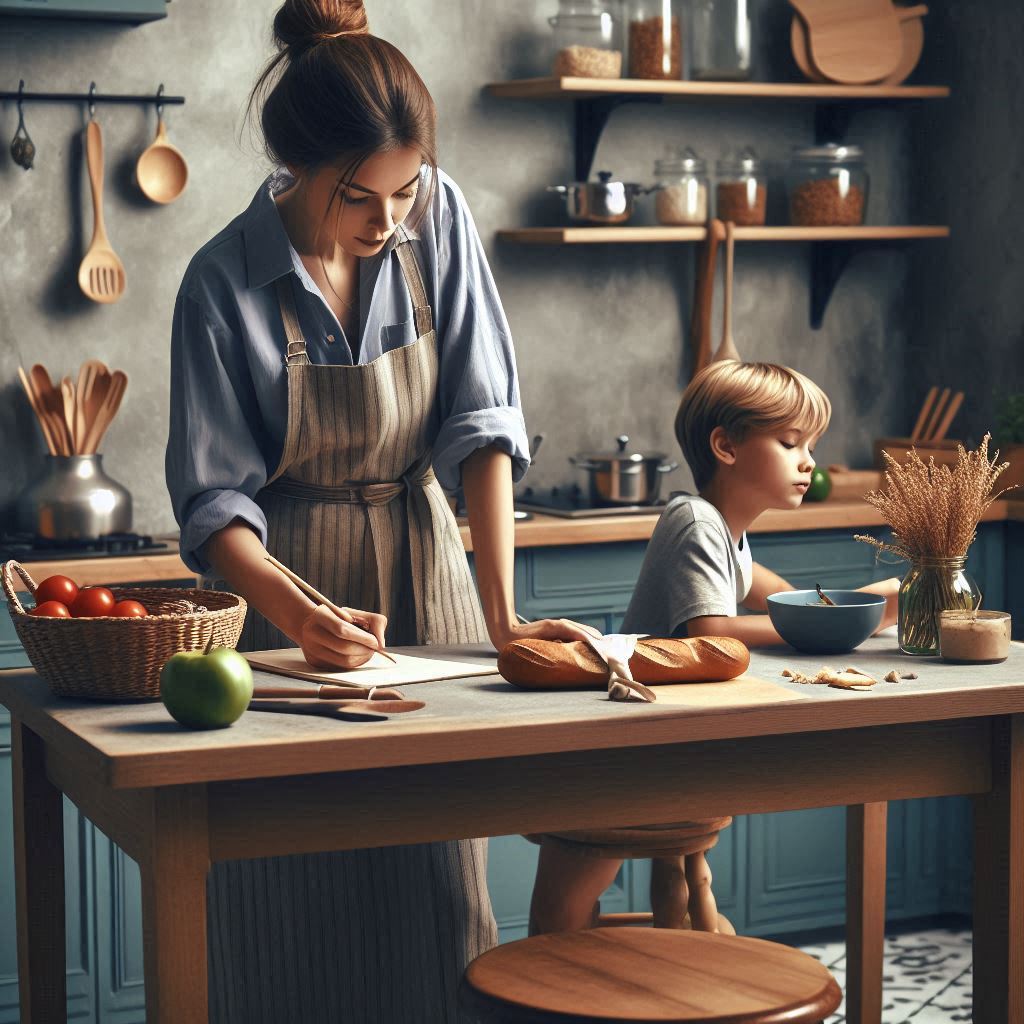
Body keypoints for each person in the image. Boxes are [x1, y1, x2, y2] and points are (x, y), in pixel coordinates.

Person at [165, 1, 595, 1019]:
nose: (389, 220)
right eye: (362, 196)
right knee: (283, 894)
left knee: (437, 893)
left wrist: (499, 613)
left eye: (405, 191)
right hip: (287, 600)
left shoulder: (433, 217)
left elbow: (484, 423)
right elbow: (216, 498)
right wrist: (295, 608)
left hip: (427, 567)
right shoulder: (219, 284)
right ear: (294, 165)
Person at [528, 360, 899, 934]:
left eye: (810, 446)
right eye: (790, 443)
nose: (808, 462)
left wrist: (860, 610)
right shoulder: (696, 521)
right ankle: (549, 989)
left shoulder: (731, 533)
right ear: (725, 446)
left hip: (663, 743)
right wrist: (845, 621)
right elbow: (712, 635)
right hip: (619, 753)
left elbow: (787, 601)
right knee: (570, 898)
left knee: (622, 885)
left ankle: (660, 965)